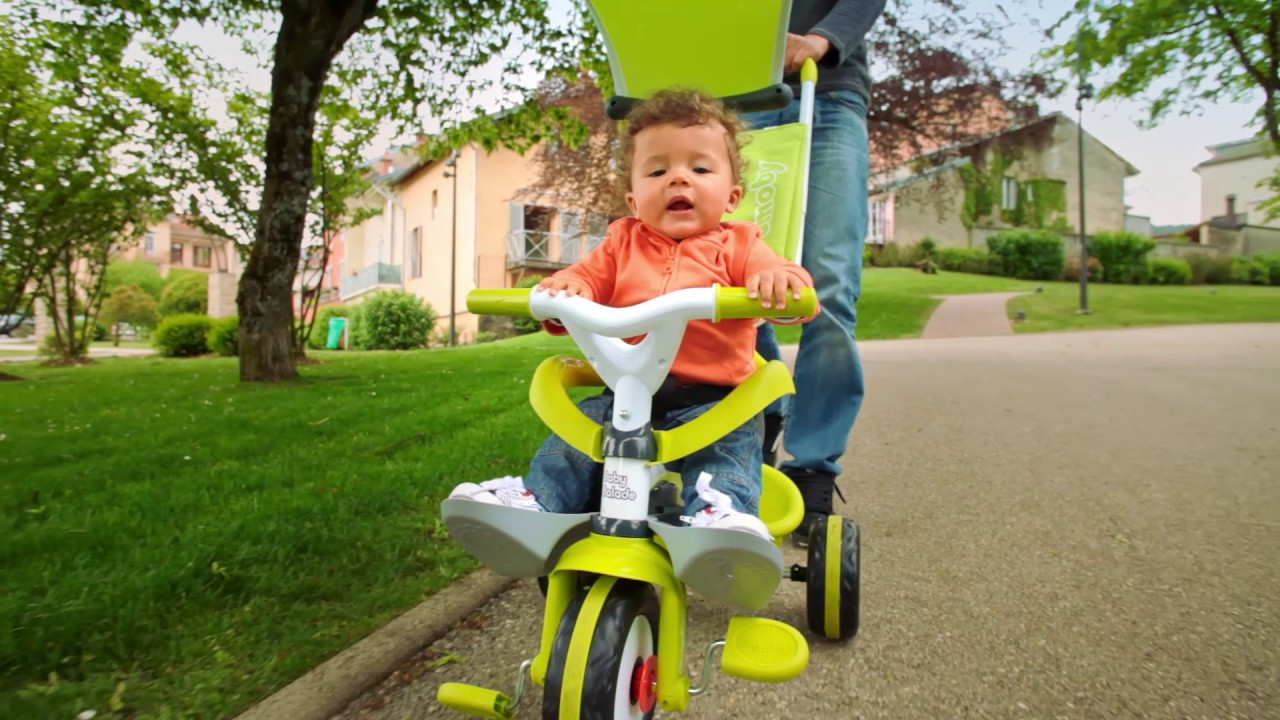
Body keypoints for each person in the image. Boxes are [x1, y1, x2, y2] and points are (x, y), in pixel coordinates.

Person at [449, 90, 818, 541]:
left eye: (700, 169)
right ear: (632, 199)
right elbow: (582, 278)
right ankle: (536, 502)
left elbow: (781, 274)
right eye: (658, 170)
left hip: (713, 399)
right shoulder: (621, 243)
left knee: (728, 451)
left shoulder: (739, 244)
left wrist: (778, 282)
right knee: (575, 440)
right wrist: (568, 291)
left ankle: (720, 518)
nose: (678, 180)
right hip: (627, 391)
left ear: (731, 196)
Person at [741, 0, 887, 546]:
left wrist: (819, 40)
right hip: (743, 100)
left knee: (825, 286)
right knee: (739, 282)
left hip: (826, 92)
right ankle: (755, 422)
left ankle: (812, 466)